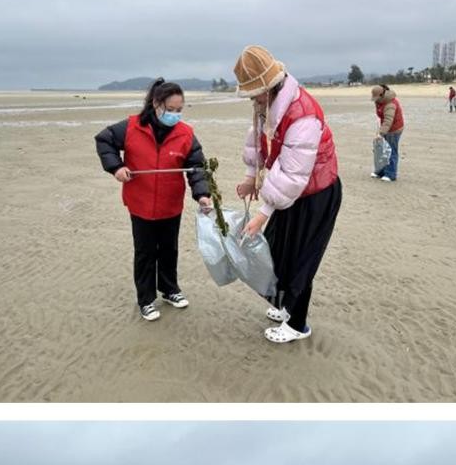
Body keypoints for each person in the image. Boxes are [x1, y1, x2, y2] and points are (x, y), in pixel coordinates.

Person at [233, 45, 343, 344]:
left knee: (300, 259)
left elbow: (294, 174)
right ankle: (286, 307)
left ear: (269, 87)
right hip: (290, 192)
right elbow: (256, 141)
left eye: (255, 94)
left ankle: (297, 325)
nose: (254, 101)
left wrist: (262, 214)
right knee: (277, 252)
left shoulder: (303, 115)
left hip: (315, 194)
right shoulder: (267, 105)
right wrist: (250, 179)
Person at [95, 78, 213, 322]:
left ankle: (170, 290)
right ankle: (146, 300)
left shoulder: (185, 133)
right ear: (156, 104)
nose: (175, 114)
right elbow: (103, 140)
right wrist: (116, 167)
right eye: (170, 109)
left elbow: (196, 167)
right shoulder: (131, 127)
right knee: (145, 253)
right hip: (140, 204)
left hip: (171, 205)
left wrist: (202, 194)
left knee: (169, 250)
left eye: (179, 110)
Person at [371, 84, 405, 181]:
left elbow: (388, 121)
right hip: (385, 128)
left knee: (391, 151)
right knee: (380, 150)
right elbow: (381, 118)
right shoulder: (379, 102)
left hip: (394, 129)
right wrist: (379, 131)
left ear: (382, 95)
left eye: (376, 98)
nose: (375, 100)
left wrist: (380, 134)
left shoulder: (390, 104)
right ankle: (380, 171)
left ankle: (391, 174)